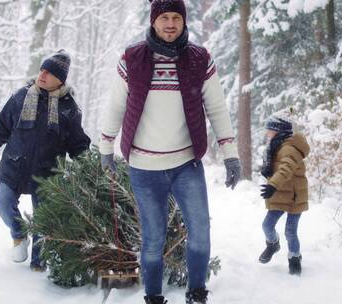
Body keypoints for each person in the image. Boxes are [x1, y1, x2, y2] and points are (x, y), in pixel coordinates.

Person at [98, 0, 241, 303]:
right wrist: (106, 147)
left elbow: (216, 107)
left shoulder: (199, 59)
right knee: (153, 239)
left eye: (177, 17)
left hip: (186, 164)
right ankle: (153, 297)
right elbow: (116, 105)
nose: (171, 24)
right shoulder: (132, 58)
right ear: (154, 21)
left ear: (184, 20)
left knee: (200, 231)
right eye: (164, 17)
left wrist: (230, 153)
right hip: (144, 166)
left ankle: (197, 292)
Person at [0, 50, 91, 272]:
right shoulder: (20, 97)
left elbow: (77, 143)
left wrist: (87, 167)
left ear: (60, 79)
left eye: (50, 72)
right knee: (3, 204)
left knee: (43, 219)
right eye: (42, 69)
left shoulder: (69, 108)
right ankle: (19, 235)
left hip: (47, 172)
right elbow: (1, 128)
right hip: (14, 165)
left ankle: (39, 261)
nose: (43, 75)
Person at [258, 109, 310, 276]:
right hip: (281, 194)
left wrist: (272, 185)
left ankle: (294, 258)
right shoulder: (277, 146)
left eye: (270, 130)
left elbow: (286, 169)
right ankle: (273, 244)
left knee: (290, 231)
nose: (267, 133)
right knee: (267, 225)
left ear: (279, 131)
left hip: (294, 195)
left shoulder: (289, 149)